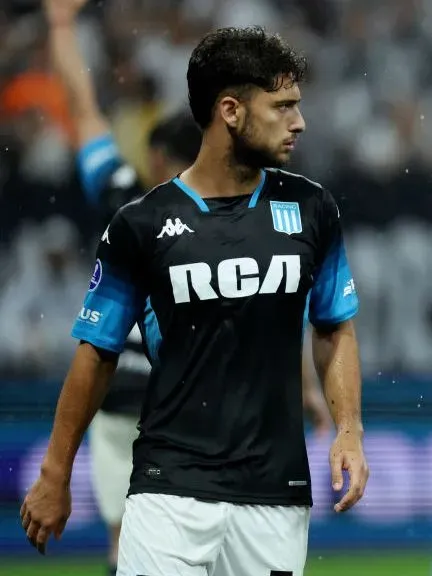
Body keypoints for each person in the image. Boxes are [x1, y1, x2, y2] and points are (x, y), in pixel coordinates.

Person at [20, 25, 368, 576]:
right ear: (230, 111)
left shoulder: (312, 208)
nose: (298, 122)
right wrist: (55, 473)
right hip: (169, 488)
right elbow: (96, 351)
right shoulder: (141, 224)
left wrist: (349, 427)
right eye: (281, 107)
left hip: (276, 492)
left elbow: (333, 328)